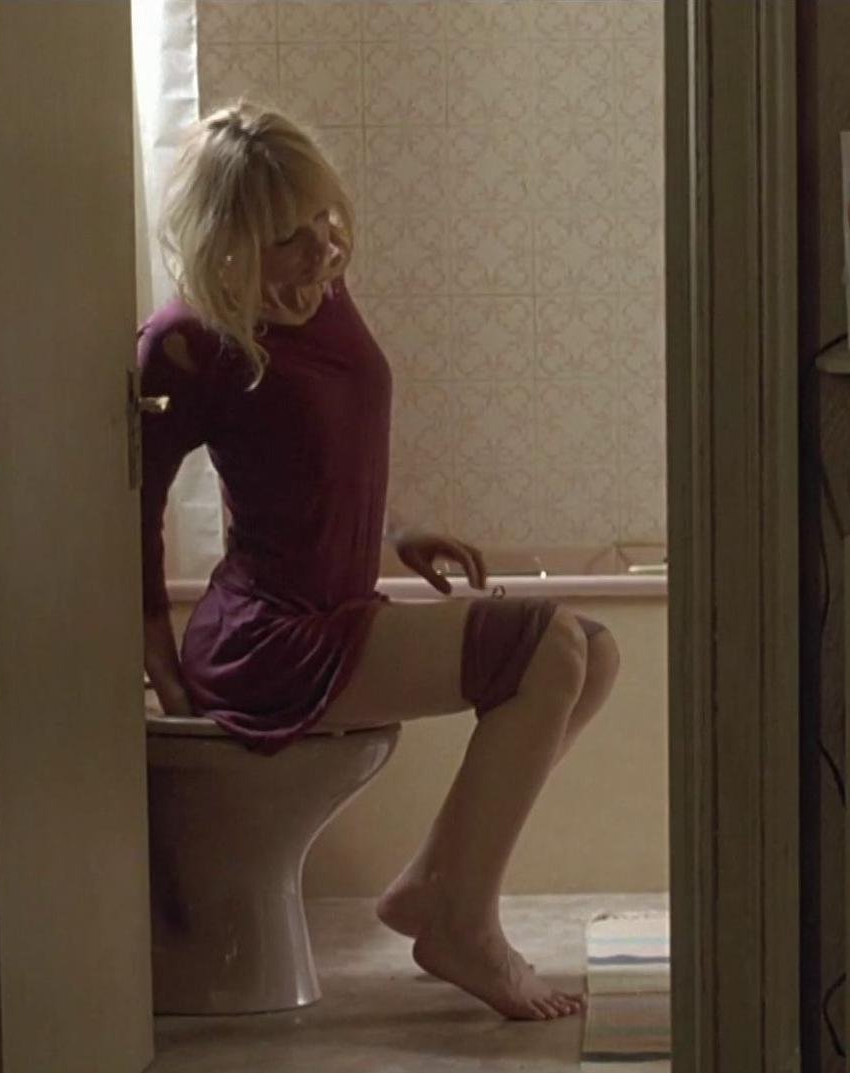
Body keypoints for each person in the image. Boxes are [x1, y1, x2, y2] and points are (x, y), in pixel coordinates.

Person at [139, 103, 620, 1022]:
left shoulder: (324, 294)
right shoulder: (188, 342)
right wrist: (165, 676)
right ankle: (463, 923)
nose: (323, 248)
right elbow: (131, 519)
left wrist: (397, 530)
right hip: (266, 637)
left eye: (324, 217)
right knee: (550, 643)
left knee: (595, 650)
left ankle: (430, 887)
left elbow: (326, 448)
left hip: (336, 608)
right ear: (228, 243)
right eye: (289, 237)